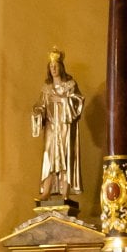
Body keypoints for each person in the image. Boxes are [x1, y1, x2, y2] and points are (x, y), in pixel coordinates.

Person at [32, 49, 84, 200]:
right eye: (51, 66)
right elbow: (40, 106)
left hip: (65, 127)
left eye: (56, 65)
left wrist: (62, 100)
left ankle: (65, 193)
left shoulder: (70, 85)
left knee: (65, 157)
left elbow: (78, 102)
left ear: (61, 67)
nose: (53, 68)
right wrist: (37, 112)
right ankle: (46, 191)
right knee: (49, 156)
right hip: (50, 126)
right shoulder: (46, 88)